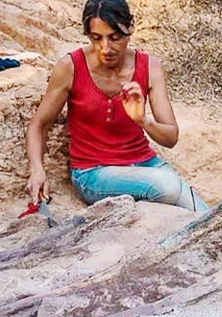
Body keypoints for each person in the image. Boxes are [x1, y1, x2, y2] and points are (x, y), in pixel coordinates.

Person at [25, 0, 208, 212]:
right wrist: (37, 170)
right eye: (96, 38)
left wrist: (143, 120)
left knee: (206, 215)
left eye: (115, 38)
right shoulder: (71, 67)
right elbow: (38, 125)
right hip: (93, 173)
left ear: (130, 29)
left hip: (145, 165)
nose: (106, 48)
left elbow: (171, 138)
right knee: (169, 186)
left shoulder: (150, 67)